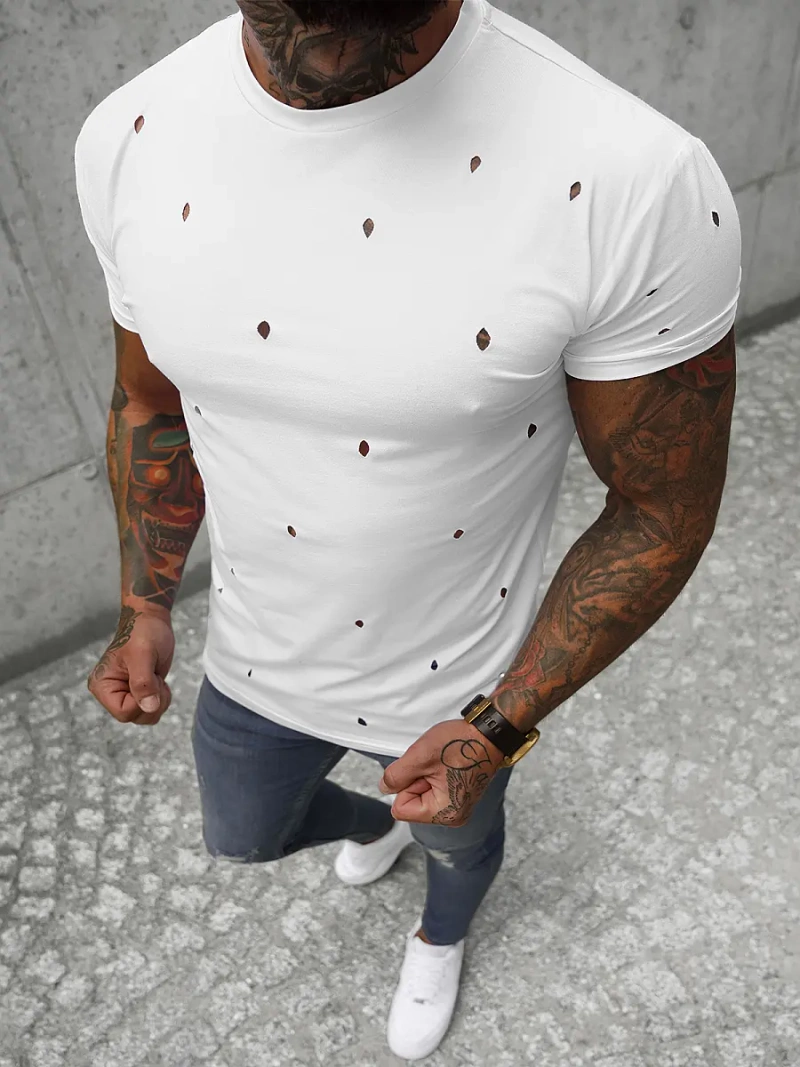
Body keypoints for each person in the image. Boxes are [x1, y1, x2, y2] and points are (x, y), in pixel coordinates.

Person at [77, 0, 740, 1059]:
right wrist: (145, 602)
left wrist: (500, 726)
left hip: (465, 683)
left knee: (461, 849)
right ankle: (380, 821)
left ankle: (441, 932)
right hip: (256, 653)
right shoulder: (133, 134)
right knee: (243, 834)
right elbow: (151, 401)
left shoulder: (632, 176)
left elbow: (663, 504)